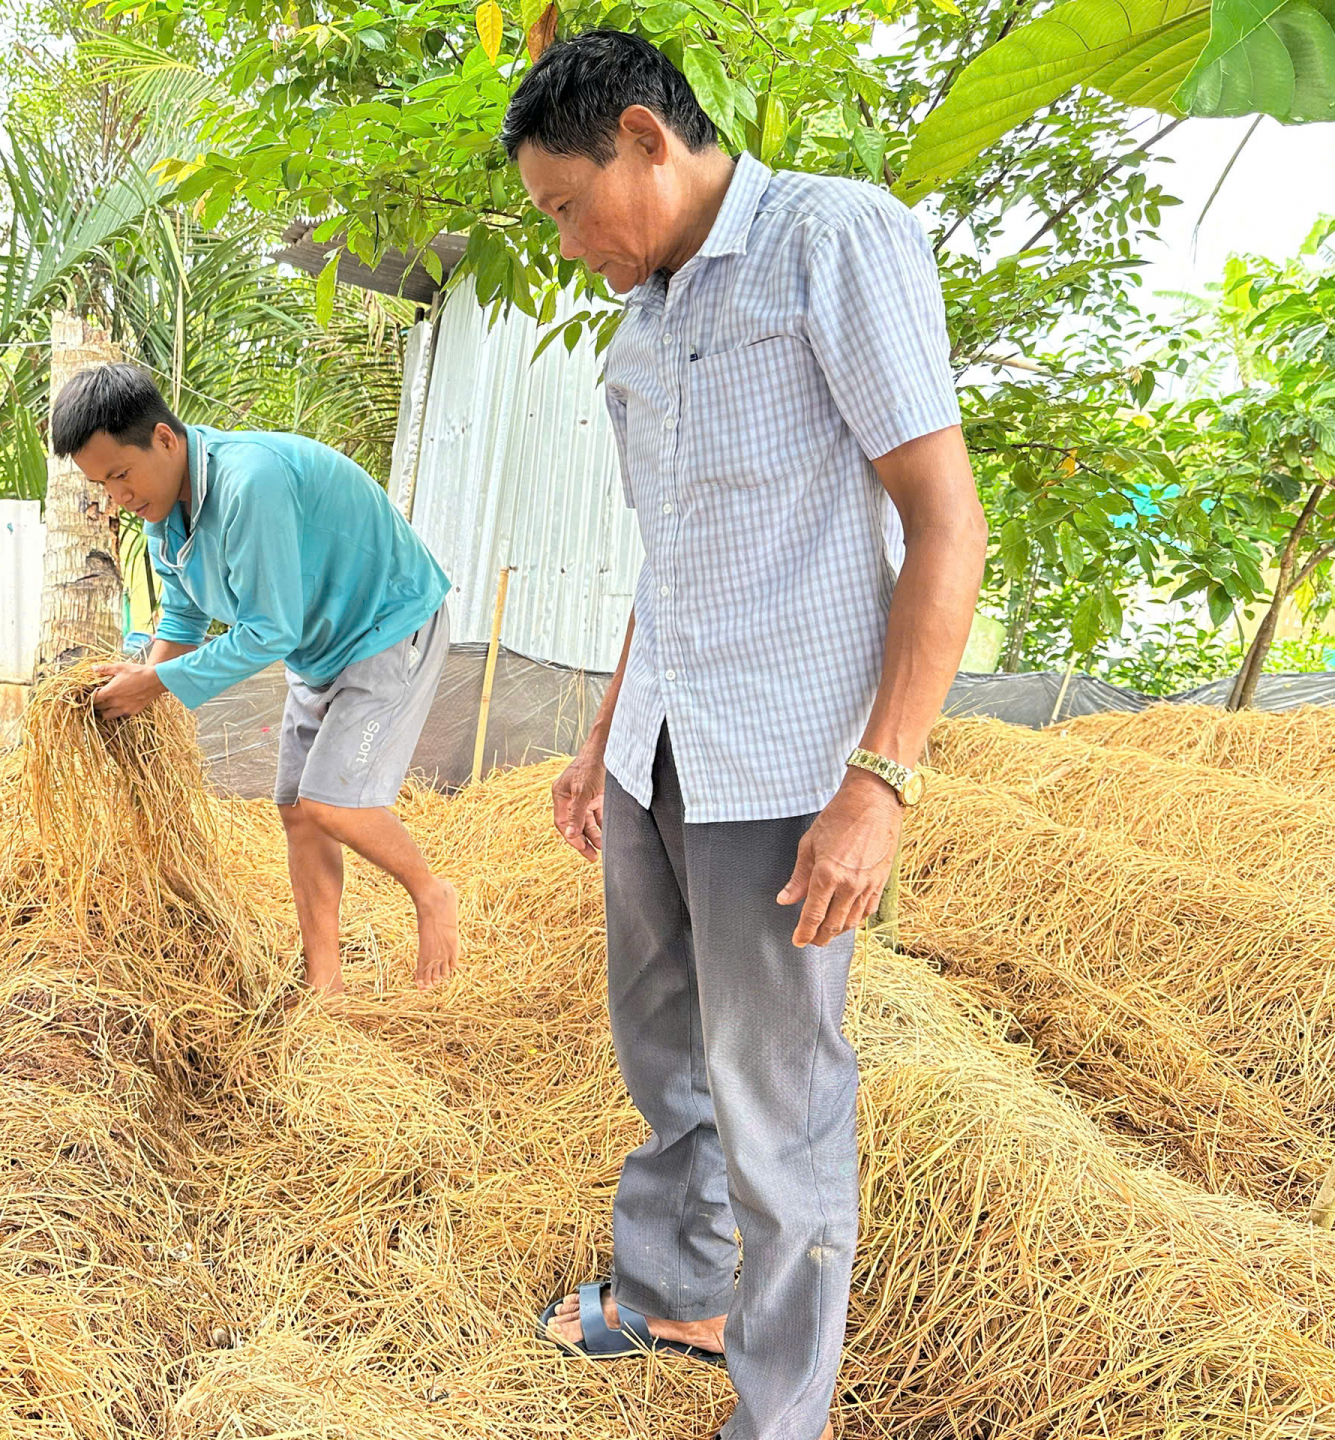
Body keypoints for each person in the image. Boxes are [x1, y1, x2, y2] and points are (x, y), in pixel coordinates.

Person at [502, 31, 987, 1440]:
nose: (569, 241)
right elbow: (676, 561)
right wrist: (603, 735)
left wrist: (882, 780)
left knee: (777, 1099)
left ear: (647, 139)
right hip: (664, 744)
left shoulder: (833, 240)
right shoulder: (645, 323)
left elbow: (946, 521)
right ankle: (676, 1292)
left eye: (566, 207)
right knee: (662, 1043)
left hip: (783, 762)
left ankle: (779, 1415)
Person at [46, 363, 461, 995]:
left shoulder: (249, 482)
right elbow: (184, 614)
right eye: (103, 485)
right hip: (319, 648)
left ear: (164, 438)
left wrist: (154, 686)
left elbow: (270, 631)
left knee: (332, 801)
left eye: (121, 475)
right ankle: (326, 986)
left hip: (386, 623)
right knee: (297, 809)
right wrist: (138, 684)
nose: (118, 500)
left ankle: (432, 895)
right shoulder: (164, 511)